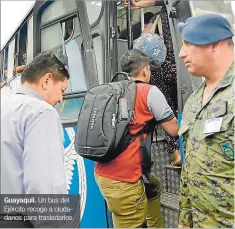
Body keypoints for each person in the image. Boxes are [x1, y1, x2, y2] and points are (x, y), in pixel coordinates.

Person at [95, 49, 178, 228]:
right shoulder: (149, 91)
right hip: (123, 181)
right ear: (145, 71)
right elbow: (173, 130)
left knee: (153, 187)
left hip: (104, 173)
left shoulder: (114, 91)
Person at [177, 14, 234, 228]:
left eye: (189, 44)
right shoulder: (194, 101)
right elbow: (190, 165)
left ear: (215, 44)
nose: (182, 54)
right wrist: (185, 220)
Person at [1, 52, 69, 226]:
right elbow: (44, 188)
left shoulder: (5, 107)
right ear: (47, 80)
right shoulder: (41, 112)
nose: (61, 99)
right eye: (62, 90)